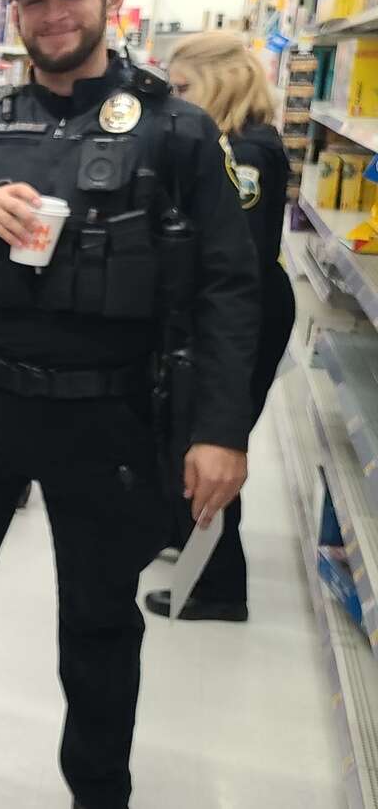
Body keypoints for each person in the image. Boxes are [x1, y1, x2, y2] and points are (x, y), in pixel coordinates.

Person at [0, 0, 260, 809]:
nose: (53, 15)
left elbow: (232, 291)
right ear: (15, 13)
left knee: (99, 616)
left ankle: (97, 790)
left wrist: (220, 433)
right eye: (34, 0)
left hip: (112, 413)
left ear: (109, 1)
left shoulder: (177, 129)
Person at [142, 31, 295, 622]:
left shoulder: (244, 155)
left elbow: (235, 263)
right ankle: (191, 544)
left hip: (243, 317)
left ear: (220, 80)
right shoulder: (241, 143)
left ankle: (220, 587)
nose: (176, 102)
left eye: (183, 88)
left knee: (207, 441)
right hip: (246, 309)